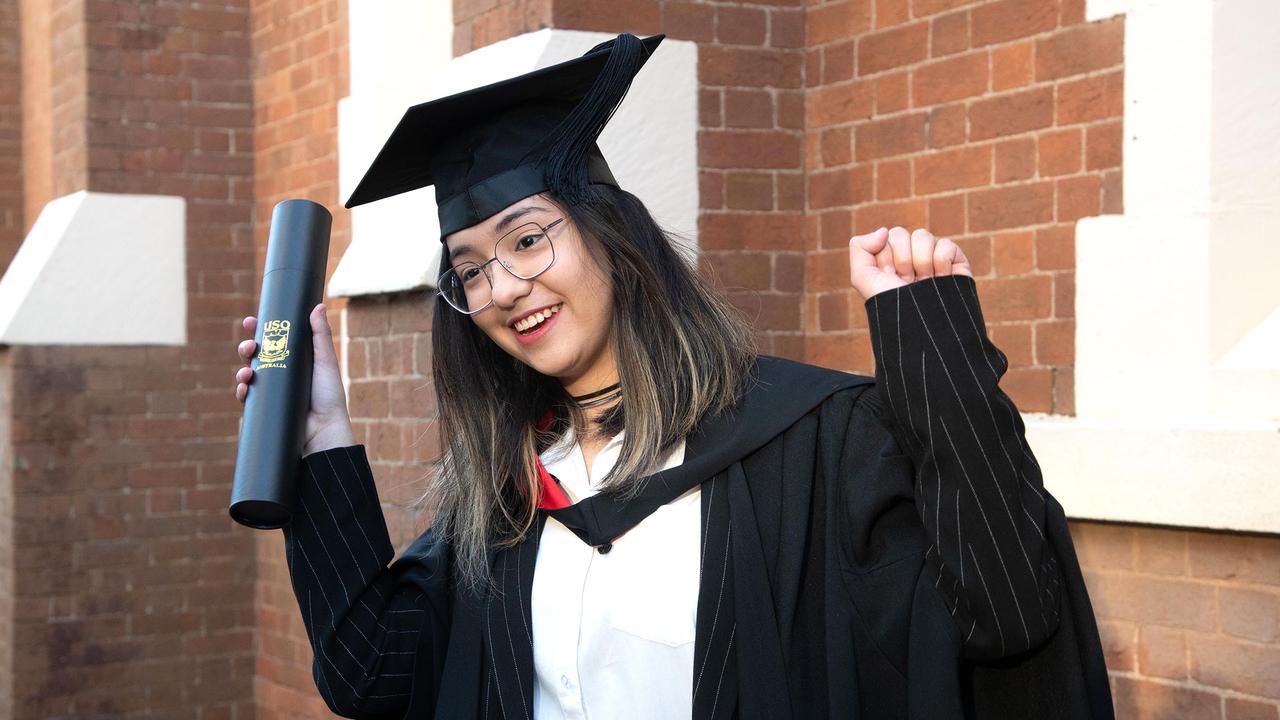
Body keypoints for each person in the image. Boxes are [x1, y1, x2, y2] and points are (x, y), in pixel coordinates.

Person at [234, 33, 1112, 719]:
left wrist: (935, 354)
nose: (504, 288)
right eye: (470, 269)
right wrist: (320, 439)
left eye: (529, 239)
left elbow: (1007, 612)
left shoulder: (807, 444)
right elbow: (368, 671)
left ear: (611, 234)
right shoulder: (511, 506)